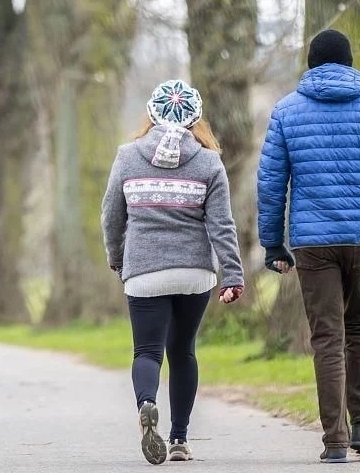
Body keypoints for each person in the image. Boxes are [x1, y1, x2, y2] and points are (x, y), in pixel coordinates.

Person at [256, 29, 360, 464]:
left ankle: (335, 441)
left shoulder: (286, 111)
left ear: (311, 63)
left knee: (327, 336)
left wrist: (273, 244)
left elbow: (271, 185)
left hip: (312, 243)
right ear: (349, 63)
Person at [102, 79, 246, 465]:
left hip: (144, 271)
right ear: (196, 119)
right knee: (183, 352)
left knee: (147, 352)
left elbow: (111, 216)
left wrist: (117, 256)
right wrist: (232, 275)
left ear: (151, 115)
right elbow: (222, 225)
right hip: (194, 273)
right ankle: (179, 438)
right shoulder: (209, 162)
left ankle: (146, 404)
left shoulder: (128, 156)